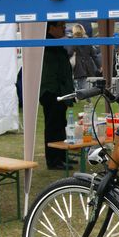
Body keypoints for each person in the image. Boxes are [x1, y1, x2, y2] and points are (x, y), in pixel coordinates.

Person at [40, 21, 75, 171]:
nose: (64, 28)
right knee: (54, 126)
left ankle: (61, 155)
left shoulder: (53, 44)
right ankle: (54, 160)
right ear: (51, 28)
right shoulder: (47, 45)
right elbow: (53, 71)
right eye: (61, 26)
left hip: (58, 91)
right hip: (52, 91)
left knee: (61, 124)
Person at [67, 24, 101, 93]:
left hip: (78, 65)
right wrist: (99, 66)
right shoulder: (87, 41)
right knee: (84, 83)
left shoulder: (73, 41)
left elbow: (70, 53)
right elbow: (94, 55)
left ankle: (86, 99)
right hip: (88, 65)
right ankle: (85, 98)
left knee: (81, 84)